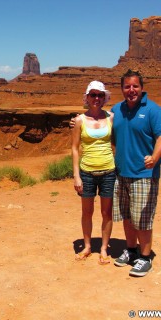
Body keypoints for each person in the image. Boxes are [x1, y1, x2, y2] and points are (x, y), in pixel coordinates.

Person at [111, 69, 161, 277]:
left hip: (144, 174)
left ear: (141, 88)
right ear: (122, 88)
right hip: (121, 173)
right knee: (127, 216)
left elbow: (160, 137)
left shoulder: (153, 110)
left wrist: (155, 158)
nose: (131, 90)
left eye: (135, 86)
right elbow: (107, 133)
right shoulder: (116, 109)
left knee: (143, 218)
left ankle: (145, 257)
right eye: (127, 86)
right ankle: (131, 251)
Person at [71, 80, 116, 265]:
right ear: (87, 97)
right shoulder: (79, 120)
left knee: (107, 213)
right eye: (93, 95)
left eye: (100, 95)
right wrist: (76, 175)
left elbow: (116, 142)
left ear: (104, 98)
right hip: (87, 172)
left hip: (108, 171)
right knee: (86, 212)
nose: (96, 98)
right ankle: (88, 246)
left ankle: (104, 248)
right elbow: (74, 148)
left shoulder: (111, 117)